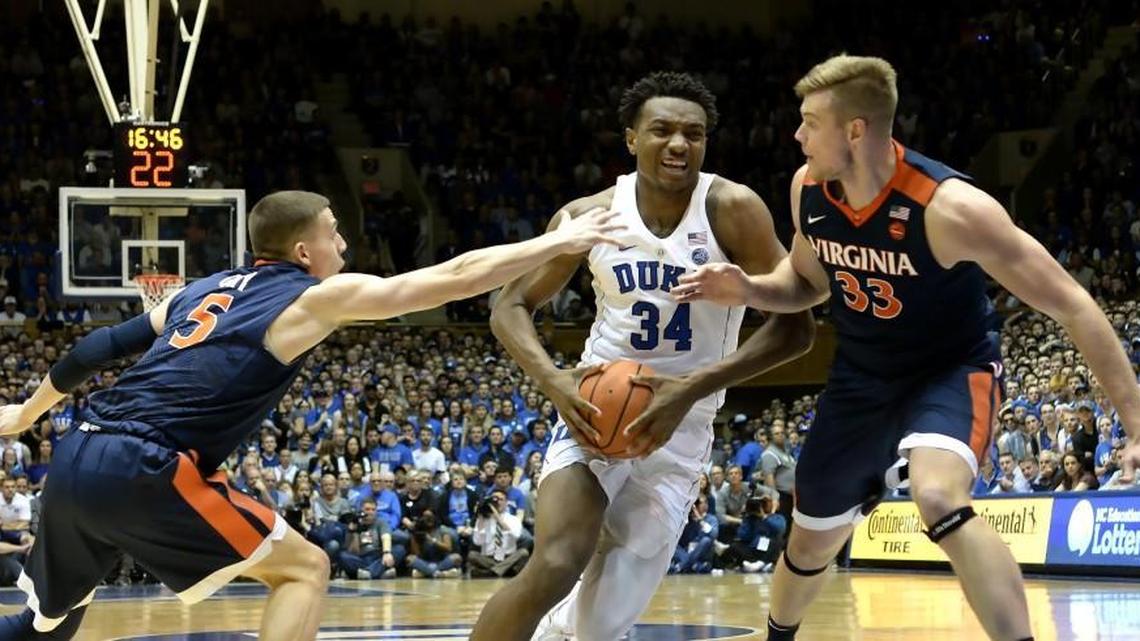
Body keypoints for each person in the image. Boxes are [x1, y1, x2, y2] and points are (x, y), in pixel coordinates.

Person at [0, 190, 623, 640]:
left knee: (43, 628)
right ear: (304, 249)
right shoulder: (312, 295)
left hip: (76, 451)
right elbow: (454, 276)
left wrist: (25, 414)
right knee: (305, 569)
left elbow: (95, 349)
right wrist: (558, 242)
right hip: (144, 462)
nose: (344, 244)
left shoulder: (202, 290)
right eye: (334, 232)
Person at [673, 55, 1140, 641]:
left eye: (809, 122)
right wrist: (749, 288)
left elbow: (1073, 302)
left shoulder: (951, 208)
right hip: (861, 379)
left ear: (855, 130)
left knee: (938, 494)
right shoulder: (808, 190)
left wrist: (1136, 422)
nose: (796, 136)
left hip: (950, 370)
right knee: (810, 536)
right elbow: (806, 284)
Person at [470, 71, 814, 641]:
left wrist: (692, 388)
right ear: (631, 138)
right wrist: (556, 382)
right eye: (662, 130)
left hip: (682, 431)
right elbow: (509, 306)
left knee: (599, 622)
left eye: (694, 134)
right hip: (594, 411)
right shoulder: (590, 215)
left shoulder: (732, 209)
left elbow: (796, 330)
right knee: (554, 565)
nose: (679, 144)